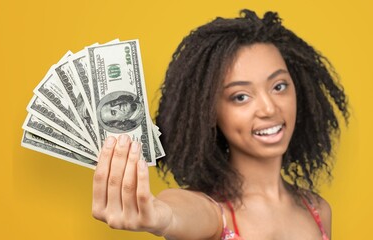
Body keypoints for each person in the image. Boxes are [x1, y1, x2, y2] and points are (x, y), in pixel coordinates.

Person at [92, 9, 348, 240]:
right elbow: (177, 209)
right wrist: (161, 216)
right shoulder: (212, 213)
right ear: (210, 113)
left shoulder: (318, 210)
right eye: (240, 97)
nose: (269, 108)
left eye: (279, 86)